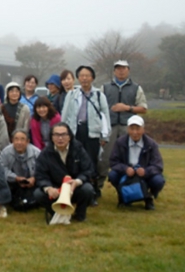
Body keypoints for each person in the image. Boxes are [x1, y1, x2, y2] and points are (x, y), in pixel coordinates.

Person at [61, 65, 111, 204]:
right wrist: (62, 133)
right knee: (73, 161)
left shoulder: (99, 95)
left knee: (91, 162)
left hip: (92, 133)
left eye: (87, 75)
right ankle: (73, 191)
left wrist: (104, 136)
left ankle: (92, 192)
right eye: (81, 75)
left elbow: (105, 116)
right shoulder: (71, 94)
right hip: (75, 132)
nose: (84, 78)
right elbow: (65, 115)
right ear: (78, 78)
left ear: (92, 78)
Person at [100, 60, 148, 191]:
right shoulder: (105, 87)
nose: (121, 71)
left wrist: (126, 108)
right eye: (118, 68)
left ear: (128, 70)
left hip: (129, 128)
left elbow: (143, 108)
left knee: (130, 158)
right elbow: (97, 108)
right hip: (109, 127)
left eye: (124, 68)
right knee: (104, 158)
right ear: (114, 71)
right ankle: (98, 187)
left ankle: (133, 186)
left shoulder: (136, 88)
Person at [34, 123, 96, 223]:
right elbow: (40, 175)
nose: (60, 138)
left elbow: (88, 170)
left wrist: (77, 182)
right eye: (56, 135)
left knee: (87, 189)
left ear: (69, 137)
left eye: (63, 134)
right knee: (38, 194)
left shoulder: (78, 149)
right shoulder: (45, 153)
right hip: (55, 189)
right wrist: (48, 188)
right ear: (52, 137)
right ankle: (56, 213)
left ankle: (80, 214)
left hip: (74, 187)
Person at [108, 116, 164, 210]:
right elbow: (113, 161)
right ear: (127, 129)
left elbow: (158, 165)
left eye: (138, 129)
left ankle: (149, 197)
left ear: (143, 129)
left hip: (144, 174)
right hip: (127, 174)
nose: (135, 132)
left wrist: (145, 171)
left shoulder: (151, 144)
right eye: (132, 129)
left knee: (158, 180)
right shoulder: (120, 142)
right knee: (112, 175)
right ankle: (122, 196)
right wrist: (125, 169)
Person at [0, 129, 40, 212]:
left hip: (32, 183)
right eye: (16, 139)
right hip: (13, 182)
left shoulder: (36, 152)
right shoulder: (5, 153)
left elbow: (42, 170)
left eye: (22, 139)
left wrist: (33, 178)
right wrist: (16, 178)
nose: (19, 142)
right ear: (12, 140)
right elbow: (3, 170)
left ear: (28, 141)